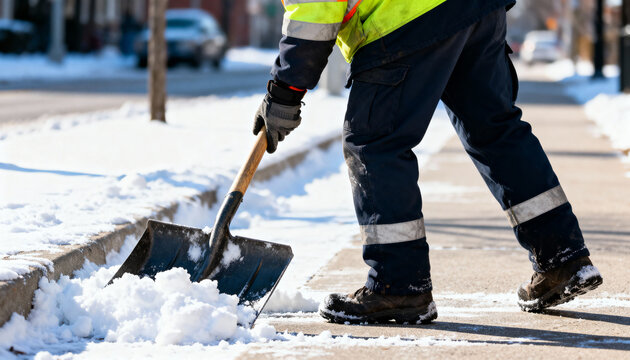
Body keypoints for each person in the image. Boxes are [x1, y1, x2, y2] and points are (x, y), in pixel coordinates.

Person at [252, 0, 603, 324]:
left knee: (376, 142)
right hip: (477, 9)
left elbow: (316, 12)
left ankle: (399, 286)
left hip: (404, 16)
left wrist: (284, 92)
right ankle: (563, 258)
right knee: (496, 132)